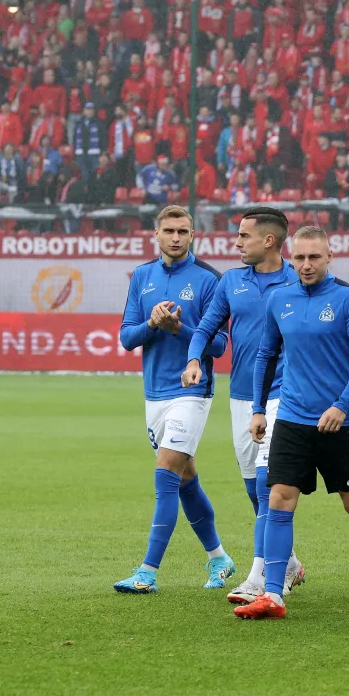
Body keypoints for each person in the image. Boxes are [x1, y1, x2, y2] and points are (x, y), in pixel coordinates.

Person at [234, 225, 349, 620]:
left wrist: (343, 405)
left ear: (329, 257)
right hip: (292, 418)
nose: (306, 265)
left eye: (314, 257)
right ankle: (273, 594)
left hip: (341, 424)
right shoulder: (280, 299)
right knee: (278, 498)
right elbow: (266, 355)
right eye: (300, 258)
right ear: (291, 259)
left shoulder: (347, 298)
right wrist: (258, 409)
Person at [182, 207, 306, 604]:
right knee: (255, 489)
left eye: (243, 235)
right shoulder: (232, 281)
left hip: (284, 395)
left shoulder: (297, 280)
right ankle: (287, 561)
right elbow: (206, 327)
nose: (236, 242)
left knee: (269, 486)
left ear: (268, 240)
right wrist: (194, 359)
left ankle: (258, 577)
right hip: (241, 397)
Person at [113, 206, 233, 594]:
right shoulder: (142, 276)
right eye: (169, 231)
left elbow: (219, 345)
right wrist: (152, 323)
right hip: (154, 393)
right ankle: (219, 559)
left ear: (193, 235)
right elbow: (127, 337)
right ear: (156, 234)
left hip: (192, 391)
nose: (176, 237)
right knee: (185, 480)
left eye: (183, 231)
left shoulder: (210, 280)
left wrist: (179, 327)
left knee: (166, 473)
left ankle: (147, 573)